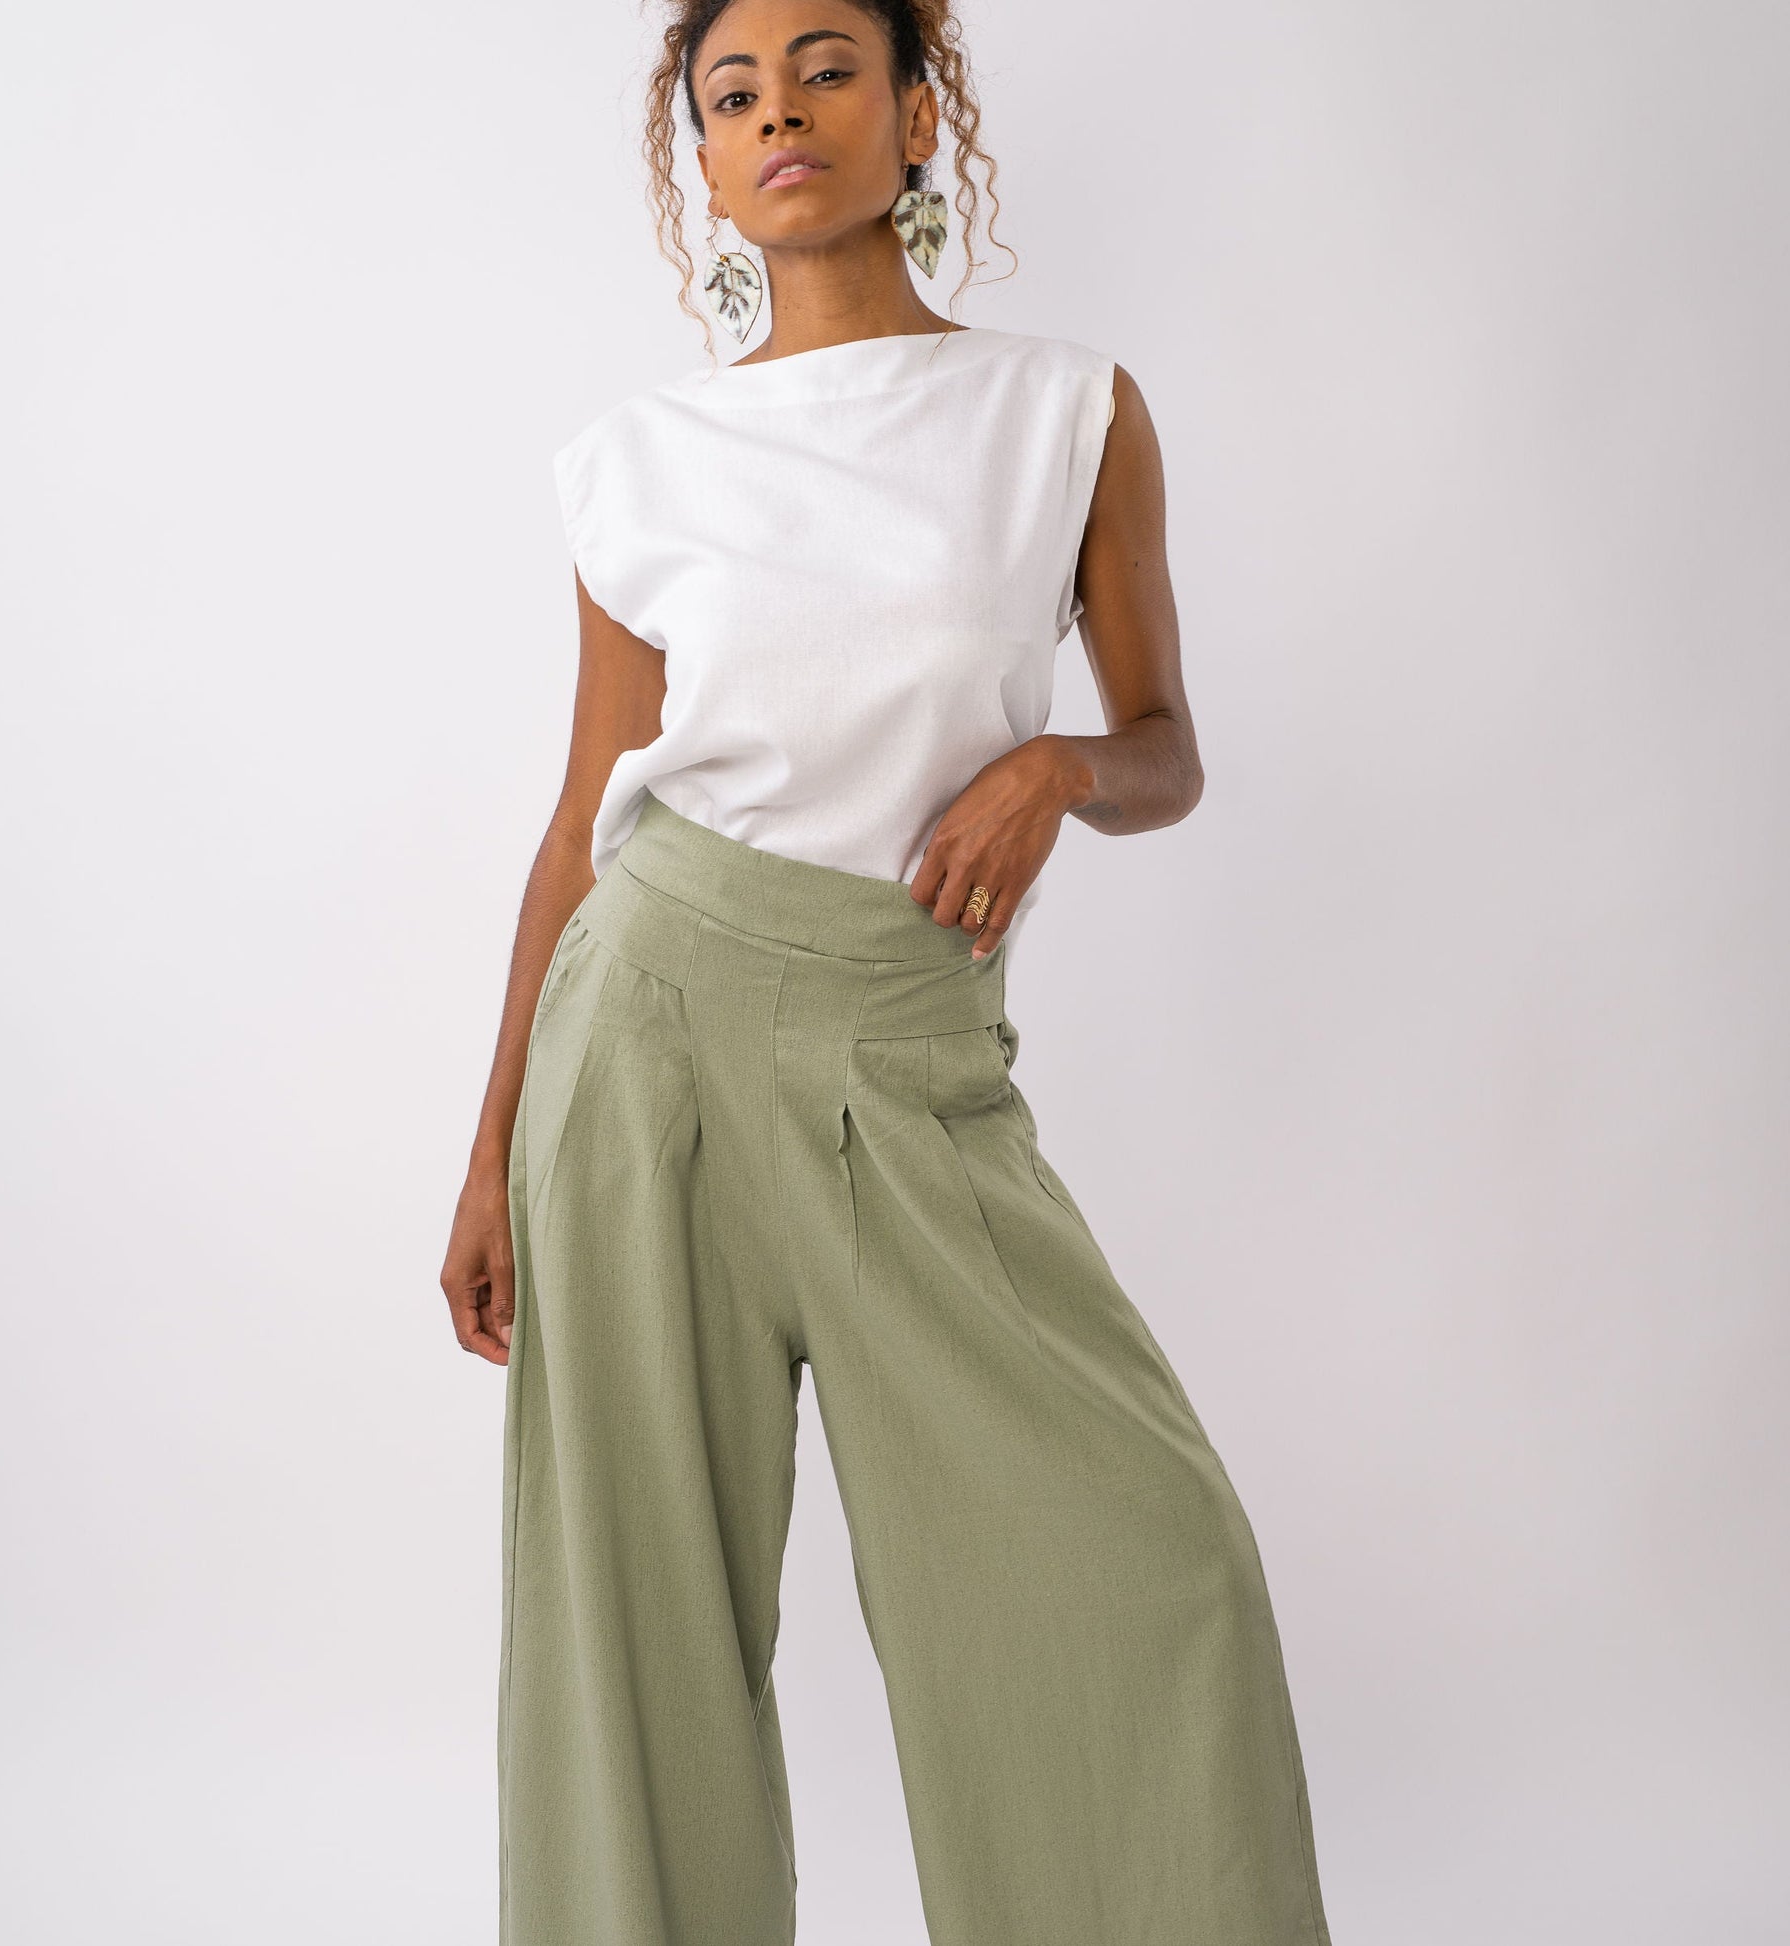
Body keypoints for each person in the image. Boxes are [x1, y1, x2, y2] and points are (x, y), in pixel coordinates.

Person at [440, 2, 1336, 1939]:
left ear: (917, 113)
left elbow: (1164, 743)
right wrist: (490, 1144)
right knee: (631, 1641)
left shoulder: (1065, 415)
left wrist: (1055, 770)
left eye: (827, 70)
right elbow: (582, 819)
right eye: (733, 94)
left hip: (912, 1054)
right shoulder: (637, 465)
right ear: (703, 159)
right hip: (643, 1046)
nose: (781, 114)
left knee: (1146, 1564)